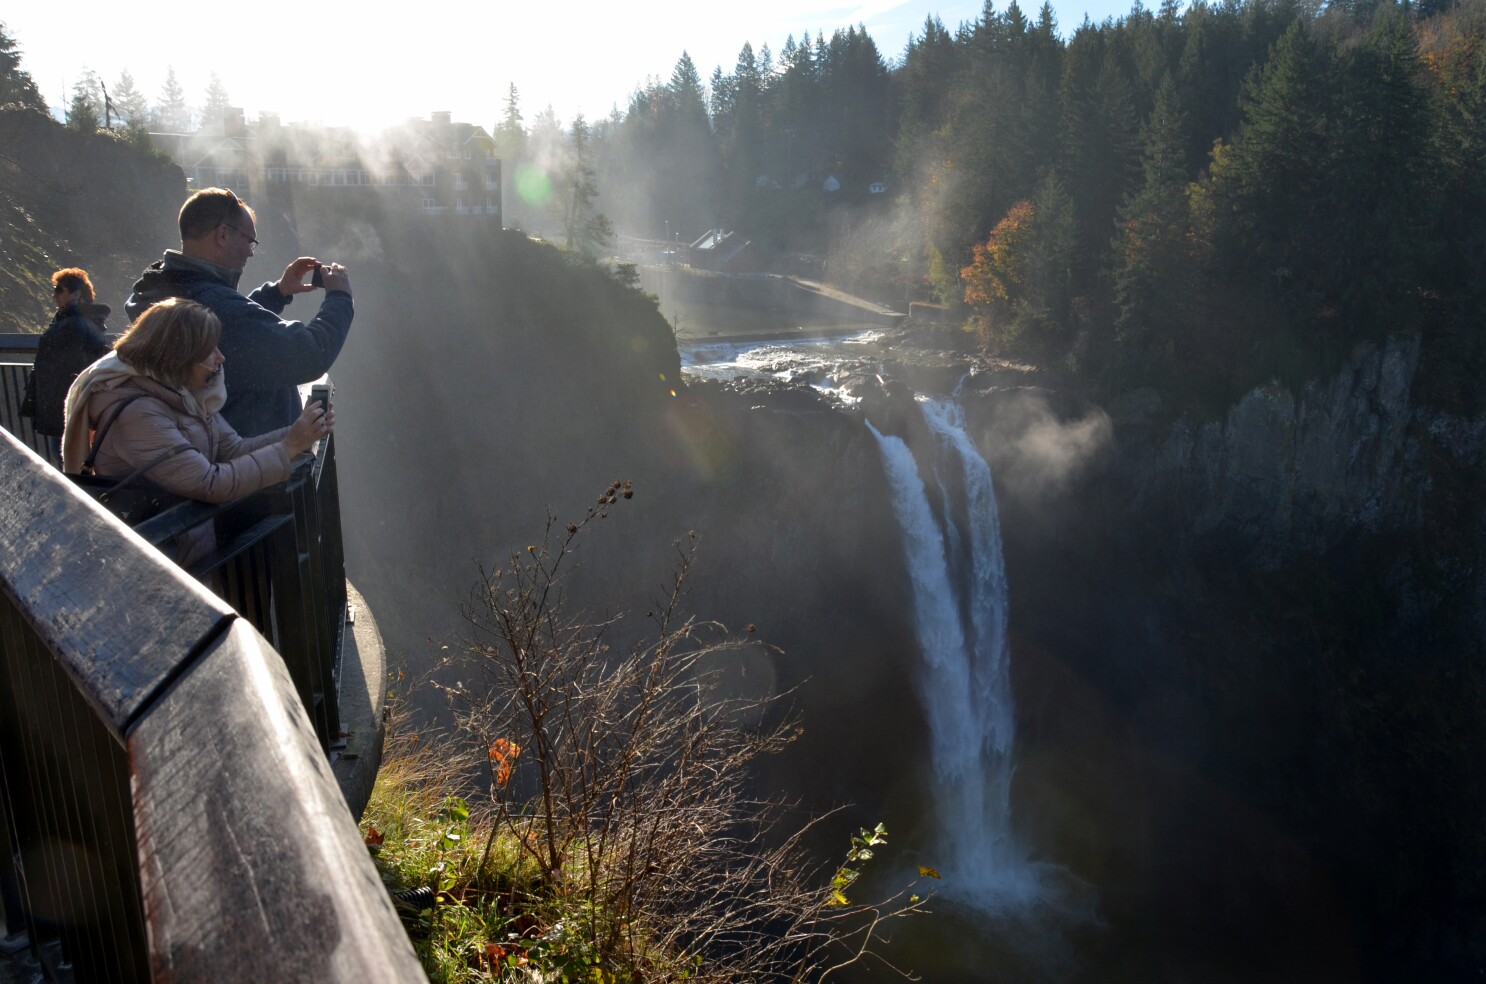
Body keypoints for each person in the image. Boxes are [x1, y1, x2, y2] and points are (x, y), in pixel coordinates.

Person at [61, 298, 332, 565]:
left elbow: (233, 449)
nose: (220, 357)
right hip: (152, 564)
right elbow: (209, 483)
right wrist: (288, 448)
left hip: (183, 551)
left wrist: (299, 434)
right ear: (179, 355)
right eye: (209, 350)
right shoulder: (136, 413)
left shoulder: (179, 393)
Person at [125, 186, 352, 437]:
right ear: (222, 235)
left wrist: (278, 292)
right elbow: (308, 354)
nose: (250, 252)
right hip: (248, 461)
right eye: (249, 240)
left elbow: (233, 331)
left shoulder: (162, 288)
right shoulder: (214, 304)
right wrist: (339, 298)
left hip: (196, 447)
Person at [24, 268, 111, 461]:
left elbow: (67, 366)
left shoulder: (72, 324)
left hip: (63, 399)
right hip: (71, 398)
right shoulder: (84, 322)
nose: (54, 294)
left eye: (59, 290)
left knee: (64, 455)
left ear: (76, 294)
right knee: (72, 453)